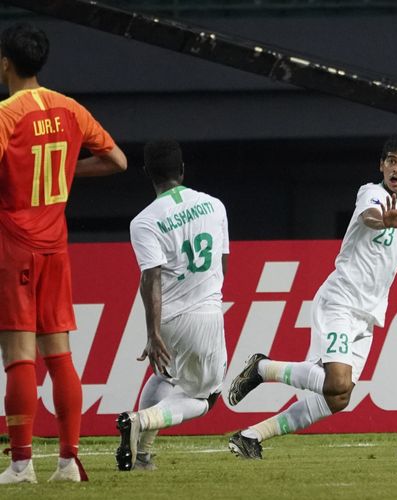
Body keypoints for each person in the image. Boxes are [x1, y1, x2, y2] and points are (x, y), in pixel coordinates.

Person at [226, 135, 397, 459]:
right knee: (335, 382)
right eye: (391, 160)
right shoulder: (371, 194)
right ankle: (263, 369)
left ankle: (251, 436)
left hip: (369, 314)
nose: (396, 168)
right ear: (381, 165)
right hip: (340, 301)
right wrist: (384, 220)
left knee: (338, 398)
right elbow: (369, 218)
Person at [0, 23, 127, 484]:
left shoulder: (7, 114)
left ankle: (20, 464)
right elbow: (118, 160)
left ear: (6, 63)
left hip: (15, 245)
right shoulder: (69, 107)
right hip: (56, 245)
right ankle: (69, 462)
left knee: (18, 354)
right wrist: (65, 173)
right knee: (60, 353)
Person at [115, 140, 229, 472]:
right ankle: (140, 420)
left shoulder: (144, 222)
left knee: (166, 374)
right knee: (206, 397)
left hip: (168, 319)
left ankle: (142, 455)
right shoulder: (214, 205)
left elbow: (150, 278)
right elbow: (222, 263)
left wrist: (153, 333)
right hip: (204, 312)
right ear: (182, 169)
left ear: (148, 172)